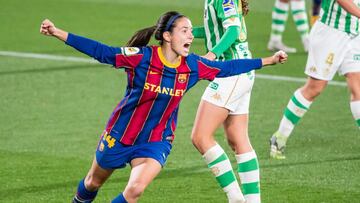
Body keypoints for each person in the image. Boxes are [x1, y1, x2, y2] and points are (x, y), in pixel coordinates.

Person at [40, 11, 287, 203]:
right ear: (167, 36)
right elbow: (102, 52)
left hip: (157, 140)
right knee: (93, 182)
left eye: (191, 31)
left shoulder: (192, 66)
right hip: (121, 135)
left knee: (135, 190)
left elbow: (228, 68)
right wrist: (58, 33)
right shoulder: (141, 57)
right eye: (184, 31)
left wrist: (268, 61)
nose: (191, 36)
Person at [269, 0, 360, 160]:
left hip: (354, 34)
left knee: (357, 85)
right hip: (331, 33)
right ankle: (280, 137)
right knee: (314, 88)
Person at [191, 0, 261, 202]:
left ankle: (235, 198)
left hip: (231, 71)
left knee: (200, 137)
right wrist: (187, 32)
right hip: (241, 70)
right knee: (238, 139)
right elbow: (215, 29)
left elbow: (232, 30)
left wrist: (211, 55)